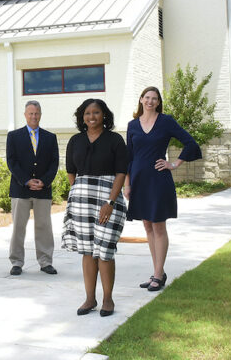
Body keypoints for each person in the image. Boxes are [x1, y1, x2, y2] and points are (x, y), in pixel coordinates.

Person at [124, 86, 202, 292]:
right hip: (139, 181)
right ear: (141, 100)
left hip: (158, 180)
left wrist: (174, 164)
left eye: (154, 99)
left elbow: (190, 143)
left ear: (158, 102)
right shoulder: (132, 125)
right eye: (147, 98)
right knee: (147, 226)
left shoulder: (166, 121)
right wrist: (127, 184)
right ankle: (157, 271)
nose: (150, 101)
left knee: (158, 227)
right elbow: (128, 158)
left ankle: (158, 275)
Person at [62, 98, 128, 317]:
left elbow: (121, 172)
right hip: (82, 200)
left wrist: (110, 202)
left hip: (108, 198)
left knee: (105, 251)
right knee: (88, 251)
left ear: (104, 115)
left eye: (96, 113)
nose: (92, 117)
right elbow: (71, 170)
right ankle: (90, 299)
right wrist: (79, 192)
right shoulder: (75, 141)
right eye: (88, 113)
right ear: (82, 117)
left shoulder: (115, 140)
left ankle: (107, 299)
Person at [6, 100, 60, 276]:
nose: (34, 116)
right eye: (30, 113)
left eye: (36, 113)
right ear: (25, 115)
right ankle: (16, 262)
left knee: (44, 226)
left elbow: (54, 163)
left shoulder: (50, 137)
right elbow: (12, 162)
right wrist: (27, 180)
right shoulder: (13, 136)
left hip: (43, 190)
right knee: (18, 228)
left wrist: (44, 181)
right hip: (20, 189)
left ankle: (45, 262)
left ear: (40, 115)